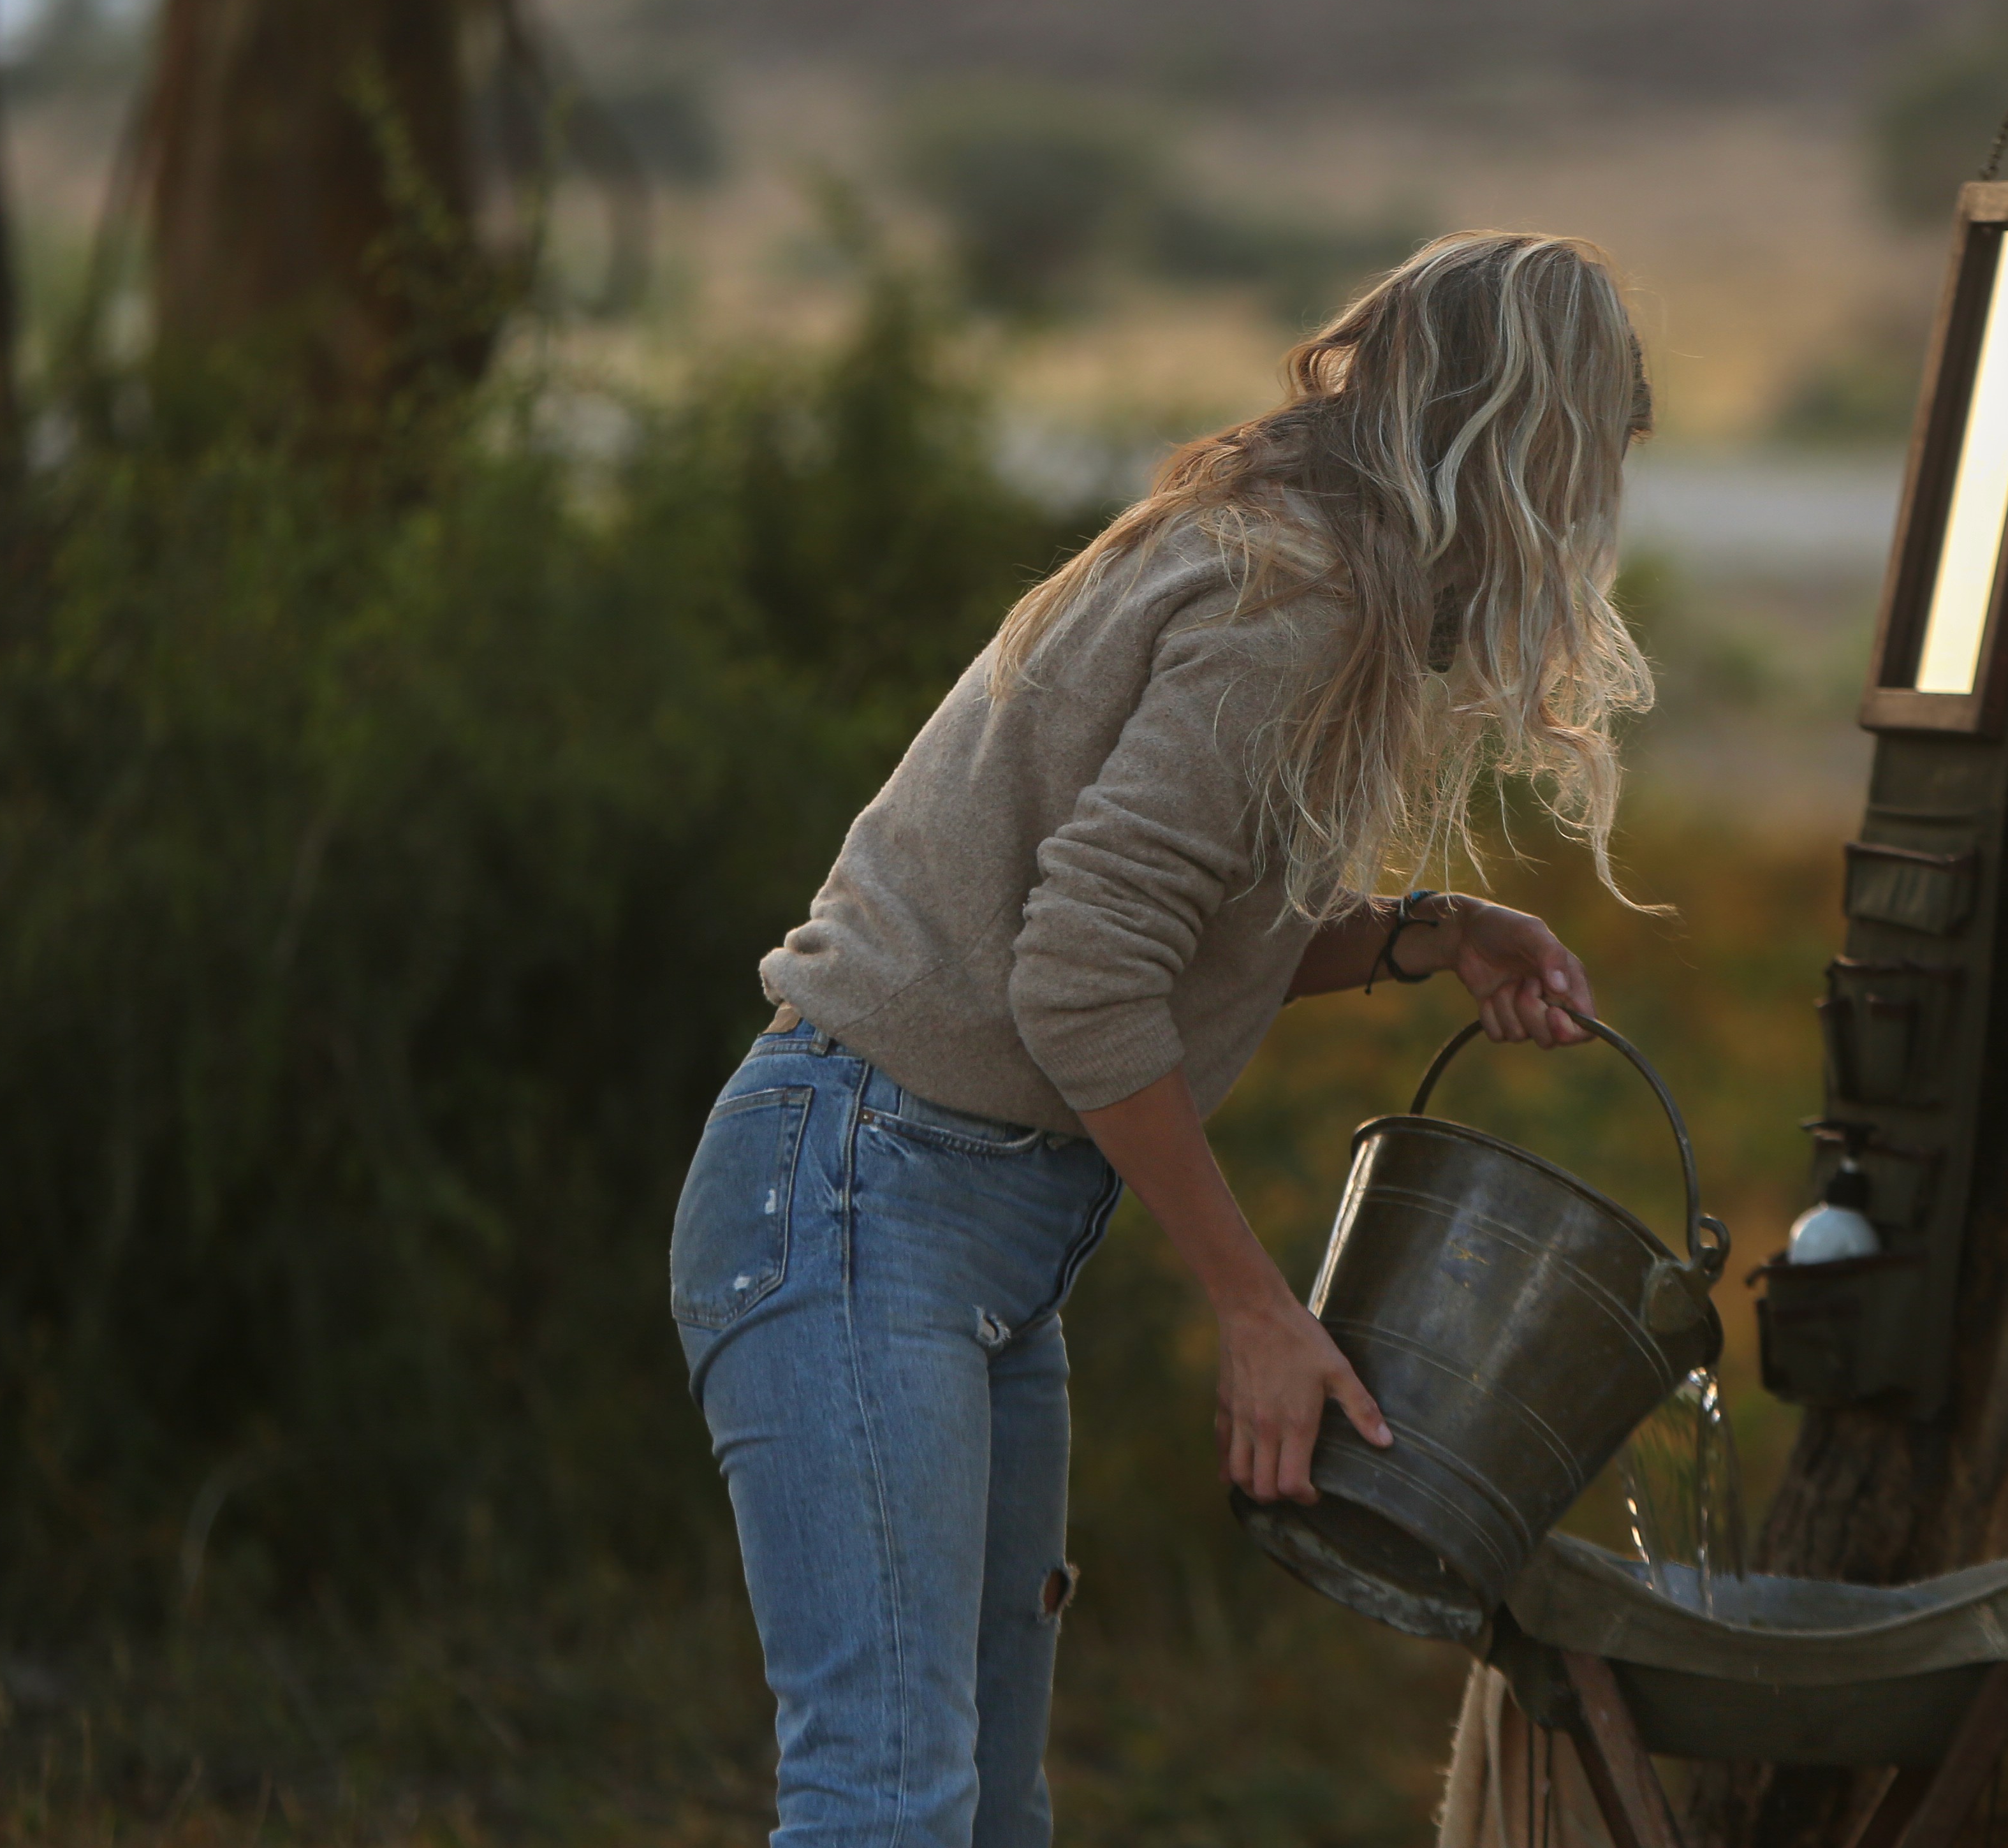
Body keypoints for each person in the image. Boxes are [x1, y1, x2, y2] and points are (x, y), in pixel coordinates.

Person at [668, 231, 1659, 1847]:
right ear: (1520, 438)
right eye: (1597, 451)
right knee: (890, 1798)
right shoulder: (1295, 600)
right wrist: (1256, 1306)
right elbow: (1079, 976)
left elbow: (1174, 933)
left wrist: (1433, 934)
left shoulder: (1295, 564)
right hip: (859, 1199)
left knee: (985, 1810)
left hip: (956, 1221)